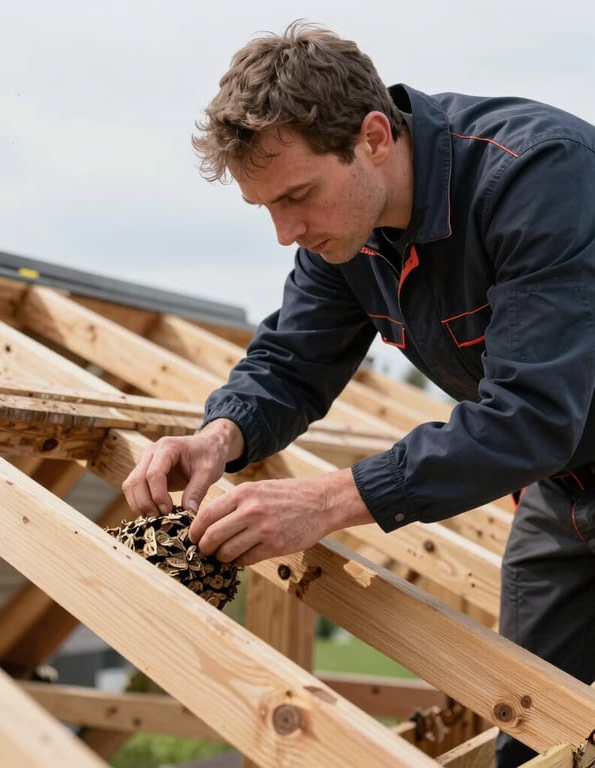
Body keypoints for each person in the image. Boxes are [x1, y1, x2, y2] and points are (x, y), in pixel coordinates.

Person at [121, 21, 595, 767]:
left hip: (552, 448)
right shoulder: (346, 232)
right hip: (562, 495)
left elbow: (532, 416)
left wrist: (327, 501)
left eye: (299, 196)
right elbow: (290, 362)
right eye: (266, 209)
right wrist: (219, 434)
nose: (286, 232)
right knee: (539, 739)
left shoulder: (537, 178)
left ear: (374, 136)